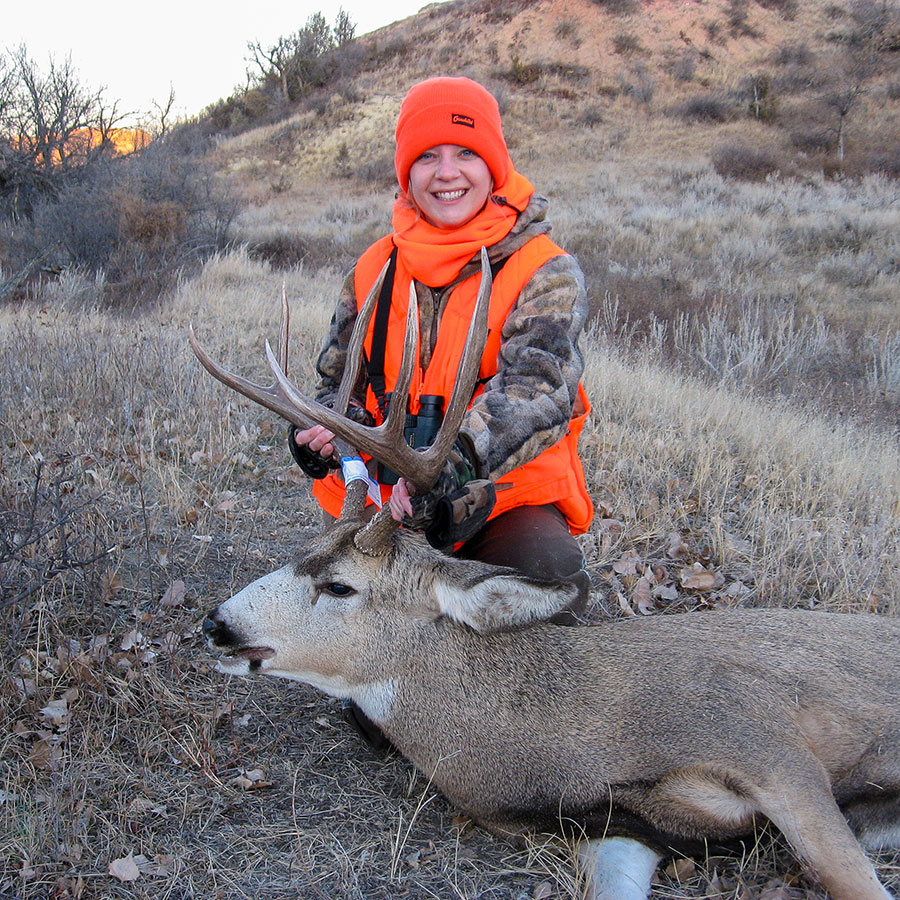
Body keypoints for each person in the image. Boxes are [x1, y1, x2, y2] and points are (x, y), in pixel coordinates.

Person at [290, 76, 593, 626]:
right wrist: (329, 432)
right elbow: (336, 384)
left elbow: (538, 389)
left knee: (545, 583)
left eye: (466, 153)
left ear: (494, 166)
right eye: (427, 156)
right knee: (349, 633)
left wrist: (451, 466)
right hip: (383, 503)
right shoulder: (372, 269)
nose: (447, 173)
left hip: (501, 497)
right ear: (407, 174)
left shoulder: (543, 270)